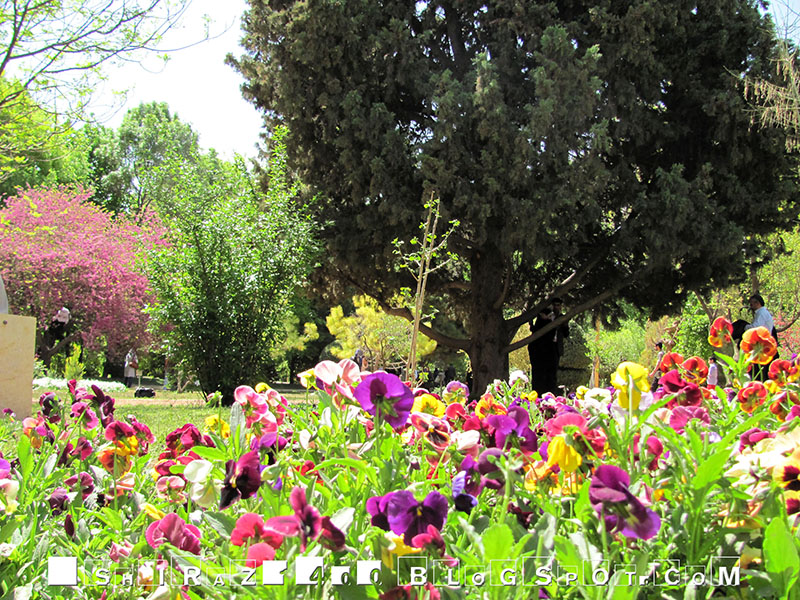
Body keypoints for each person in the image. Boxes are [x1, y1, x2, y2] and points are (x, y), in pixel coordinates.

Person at [528, 298, 569, 395]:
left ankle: (551, 395)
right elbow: (535, 330)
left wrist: (564, 325)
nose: (556, 307)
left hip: (555, 349)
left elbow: (566, 334)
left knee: (552, 374)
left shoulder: (562, 317)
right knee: (540, 374)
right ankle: (538, 395)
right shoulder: (544, 315)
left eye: (558, 305)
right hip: (542, 349)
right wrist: (546, 320)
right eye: (555, 305)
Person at [745, 294, 778, 381]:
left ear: (757, 303)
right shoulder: (762, 312)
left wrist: (746, 327)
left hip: (762, 345)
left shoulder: (761, 313)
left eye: (752, 304)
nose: (751, 306)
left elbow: (757, 327)